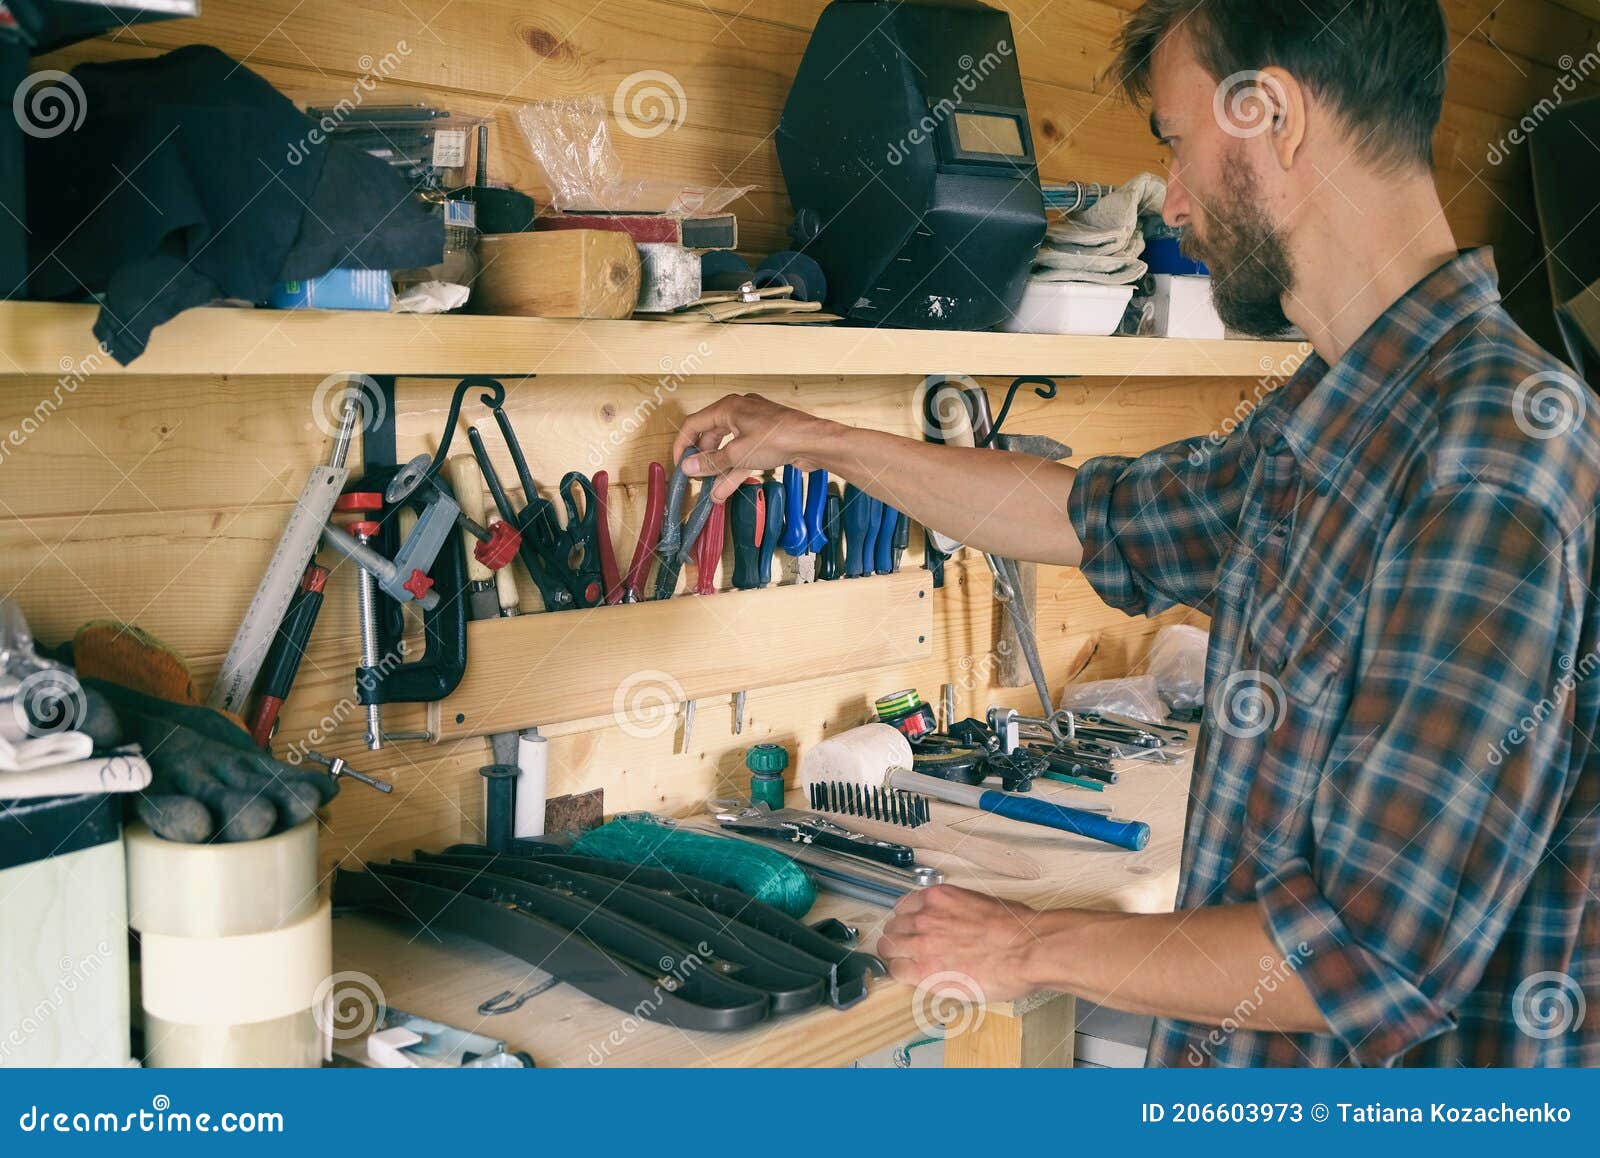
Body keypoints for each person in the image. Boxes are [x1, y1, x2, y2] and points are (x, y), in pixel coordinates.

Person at [672, 0, 1600, 1066]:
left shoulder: (1488, 456)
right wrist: (808, 437)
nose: (1173, 197)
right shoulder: (1338, 414)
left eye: (1173, 140)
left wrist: (1026, 946)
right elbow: (1080, 512)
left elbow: (1365, 956)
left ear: (1273, 115)